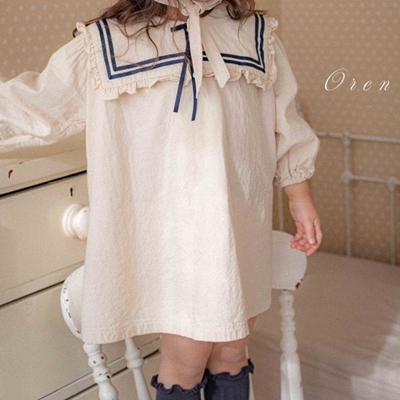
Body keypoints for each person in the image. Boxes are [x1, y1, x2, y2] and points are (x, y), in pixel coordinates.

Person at [0, 0, 322, 398]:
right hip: (174, 235)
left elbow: (285, 119)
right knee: (186, 358)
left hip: (239, 227)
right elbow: (36, 104)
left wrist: (298, 191)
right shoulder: (108, 44)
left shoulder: (253, 35)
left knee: (233, 348)